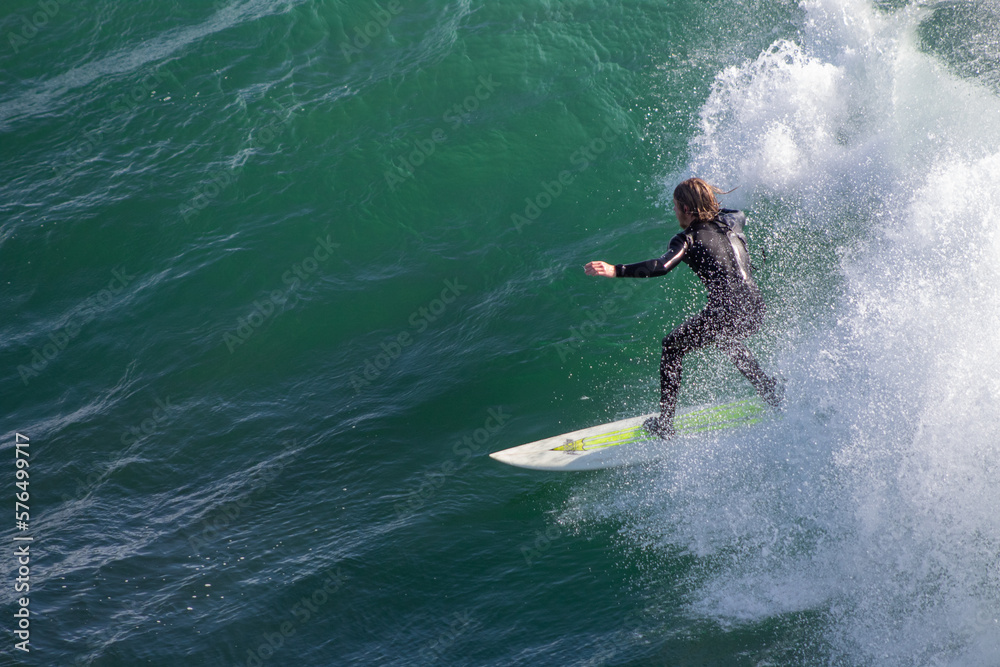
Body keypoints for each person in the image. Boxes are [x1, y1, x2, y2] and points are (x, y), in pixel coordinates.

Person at [584, 177, 782, 438]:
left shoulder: (686, 239)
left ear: (686, 209)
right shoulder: (733, 219)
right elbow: (734, 213)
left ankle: (665, 424)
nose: (674, 212)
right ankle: (768, 388)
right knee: (725, 338)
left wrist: (615, 270)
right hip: (755, 306)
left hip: (728, 312)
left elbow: (660, 266)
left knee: (672, 345)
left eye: (676, 207)